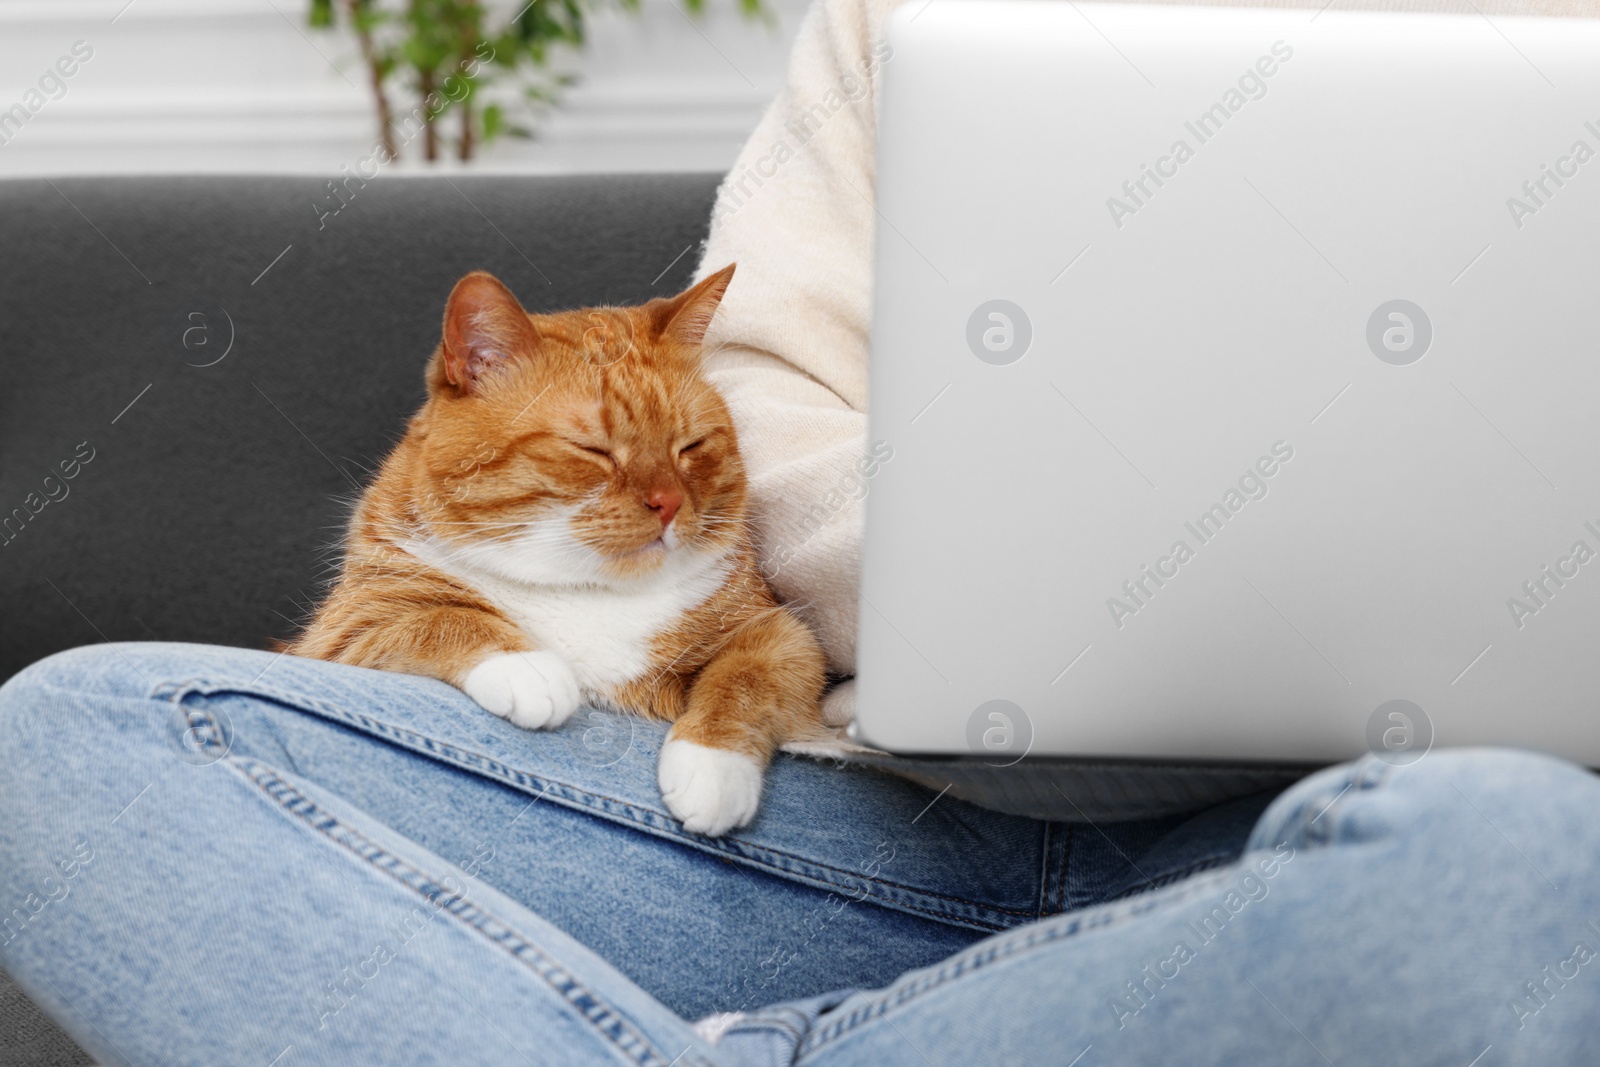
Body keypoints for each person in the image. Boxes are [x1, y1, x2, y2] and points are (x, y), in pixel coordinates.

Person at [4, 0, 1600, 1063]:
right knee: (60, 744)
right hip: (828, 823)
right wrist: (1050, 596)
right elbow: (763, 401)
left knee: (1514, 858)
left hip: (1342, 834)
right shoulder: (898, 23)